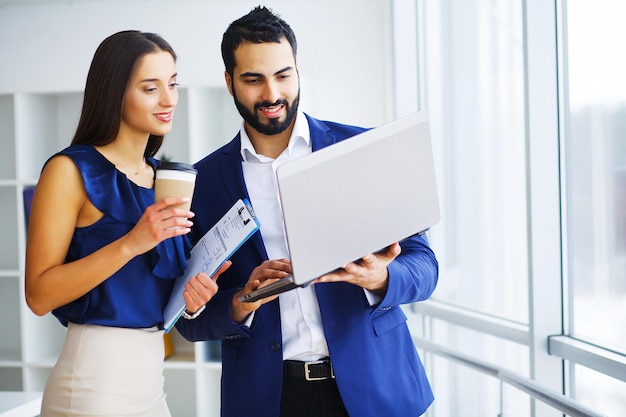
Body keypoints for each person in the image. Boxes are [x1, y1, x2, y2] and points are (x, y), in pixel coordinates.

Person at [175, 6, 439, 417]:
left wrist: (381, 276)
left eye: (283, 75)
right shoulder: (202, 184)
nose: (272, 94)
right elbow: (189, 319)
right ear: (229, 82)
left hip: (376, 387)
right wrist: (240, 302)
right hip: (270, 398)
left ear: (298, 68)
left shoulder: (361, 150)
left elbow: (425, 267)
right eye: (253, 79)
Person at [24, 30, 227, 417]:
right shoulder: (69, 171)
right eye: (151, 88)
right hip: (90, 389)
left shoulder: (163, 178)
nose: (169, 100)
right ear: (115, 93)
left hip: (152, 388)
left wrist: (193, 300)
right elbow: (38, 295)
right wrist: (133, 242)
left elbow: (154, 293)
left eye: (172, 84)